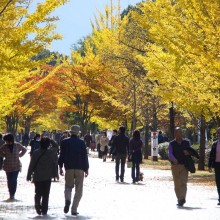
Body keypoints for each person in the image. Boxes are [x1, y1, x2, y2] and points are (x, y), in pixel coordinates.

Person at [58, 125, 89, 217]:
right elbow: (84, 156)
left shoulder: (64, 142)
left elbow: (61, 155)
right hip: (80, 168)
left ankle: (67, 200)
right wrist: (86, 168)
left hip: (69, 167)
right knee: (79, 190)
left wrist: (60, 167)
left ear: (70, 132)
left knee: (68, 187)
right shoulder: (82, 142)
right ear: (78, 133)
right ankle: (74, 209)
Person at [168, 127, 199, 207]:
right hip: (175, 166)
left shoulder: (186, 142)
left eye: (180, 133)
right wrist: (173, 159)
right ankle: (179, 198)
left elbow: (191, 151)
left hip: (184, 165)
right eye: (177, 133)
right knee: (177, 184)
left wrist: (188, 153)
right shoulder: (171, 143)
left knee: (183, 182)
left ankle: (182, 198)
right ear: (175, 134)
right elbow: (170, 153)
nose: (179, 135)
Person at [27, 137, 58, 215]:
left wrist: (29, 175)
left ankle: (37, 203)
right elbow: (56, 146)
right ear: (48, 144)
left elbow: (31, 165)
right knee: (46, 194)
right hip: (48, 176)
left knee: (38, 192)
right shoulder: (50, 152)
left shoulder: (35, 152)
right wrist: (50, 139)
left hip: (37, 176)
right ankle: (44, 210)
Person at [0, 133, 27, 200]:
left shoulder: (17, 145)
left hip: (16, 166)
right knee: (9, 180)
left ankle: (13, 193)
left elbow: (24, 149)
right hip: (7, 166)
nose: (6, 142)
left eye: (7, 140)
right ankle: (10, 193)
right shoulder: (5, 146)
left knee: (14, 180)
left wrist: (20, 155)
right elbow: (0, 151)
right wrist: (4, 155)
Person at [208, 127, 220, 205]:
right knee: (218, 181)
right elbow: (211, 155)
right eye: (218, 133)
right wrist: (209, 166)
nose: (219, 134)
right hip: (217, 165)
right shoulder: (215, 144)